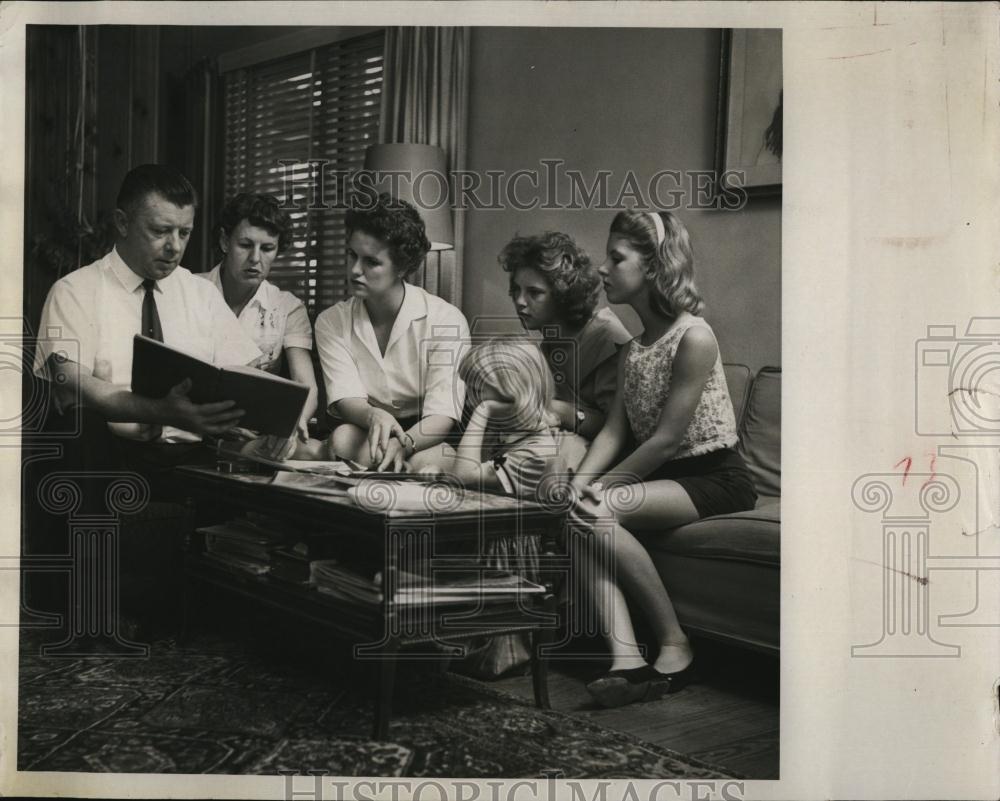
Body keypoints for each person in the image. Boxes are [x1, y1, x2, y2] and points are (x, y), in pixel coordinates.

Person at [567, 210, 757, 708]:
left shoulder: (694, 337)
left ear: (653, 267)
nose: (603, 269)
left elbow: (668, 440)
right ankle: (627, 660)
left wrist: (600, 490)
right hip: (666, 477)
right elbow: (613, 431)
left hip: (713, 476)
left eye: (617, 258)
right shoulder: (633, 350)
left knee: (595, 510)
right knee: (576, 511)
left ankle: (676, 645)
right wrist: (578, 482)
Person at [33, 164, 261, 494]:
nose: (175, 247)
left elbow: (244, 373)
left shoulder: (202, 294)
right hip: (112, 457)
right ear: (123, 223)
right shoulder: (74, 291)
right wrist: (162, 412)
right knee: (79, 426)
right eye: (160, 231)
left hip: (196, 458)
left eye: (184, 233)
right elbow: (73, 385)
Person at [314, 193, 469, 472]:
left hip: (427, 433)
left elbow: (443, 413)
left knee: (431, 463)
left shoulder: (446, 320)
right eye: (351, 255)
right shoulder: (331, 321)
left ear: (403, 267)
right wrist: (375, 416)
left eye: (371, 262)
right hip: (367, 425)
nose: (354, 270)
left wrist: (406, 441)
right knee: (342, 439)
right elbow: (346, 397)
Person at [500, 232, 631, 469]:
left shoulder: (608, 340)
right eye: (516, 291)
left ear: (563, 294)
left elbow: (622, 432)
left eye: (534, 293)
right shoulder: (550, 341)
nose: (520, 301)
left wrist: (559, 410)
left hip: (605, 466)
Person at [200, 192, 318, 444]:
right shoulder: (189, 290)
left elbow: (305, 385)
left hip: (254, 434)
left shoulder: (287, 307)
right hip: (192, 427)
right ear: (224, 242)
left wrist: (296, 420)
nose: (255, 258)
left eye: (267, 248)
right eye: (245, 245)